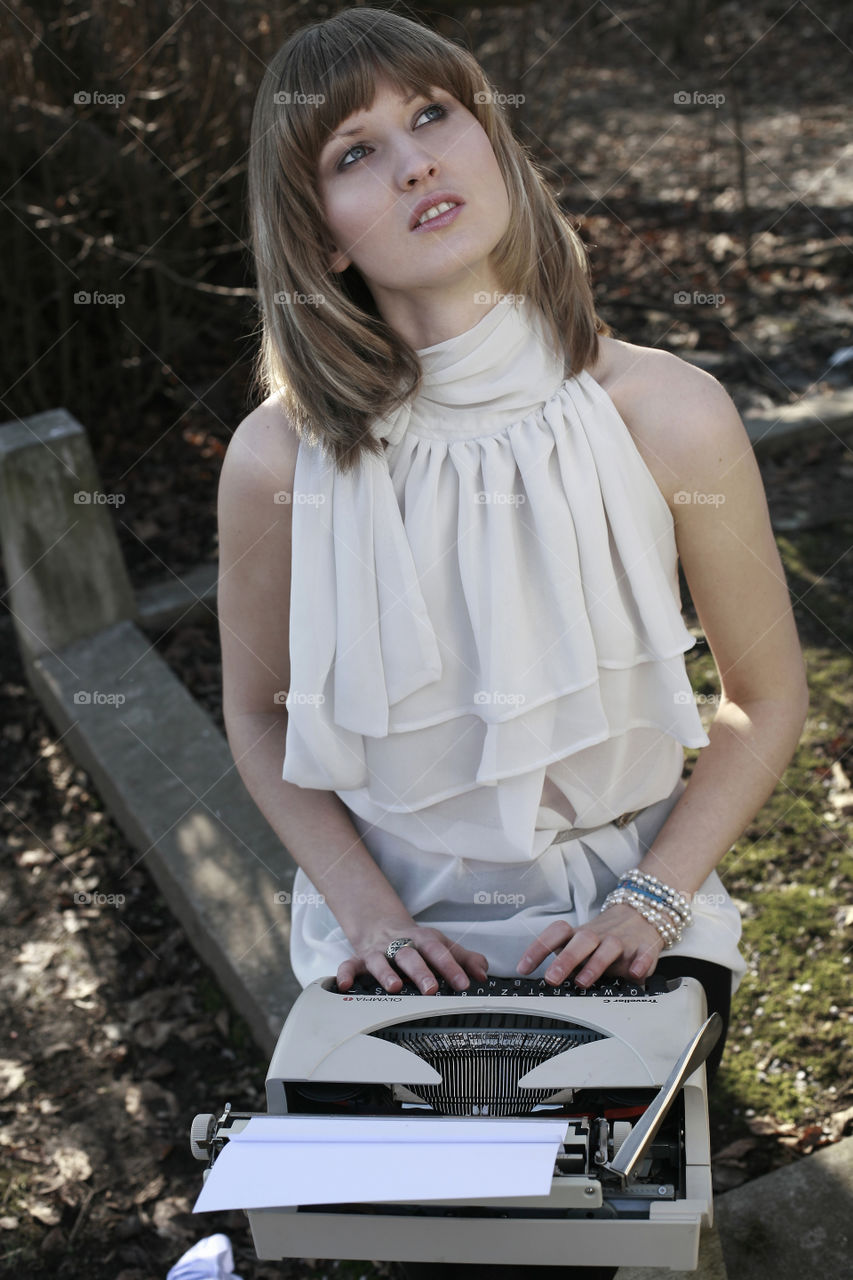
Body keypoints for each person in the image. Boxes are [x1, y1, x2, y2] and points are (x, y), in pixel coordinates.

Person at [216, 9, 810, 1278]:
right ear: (318, 227)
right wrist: (366, 910)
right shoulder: (276, 462)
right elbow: (258, 713)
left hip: (626, 908)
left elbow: (767, 697)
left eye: (433, 116)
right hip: (395, 935)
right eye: (354, 151)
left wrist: (653, 900)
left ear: (489, 140)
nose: (417, 161)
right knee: (438, 1239)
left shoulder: (666, 412)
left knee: (618, 1232)